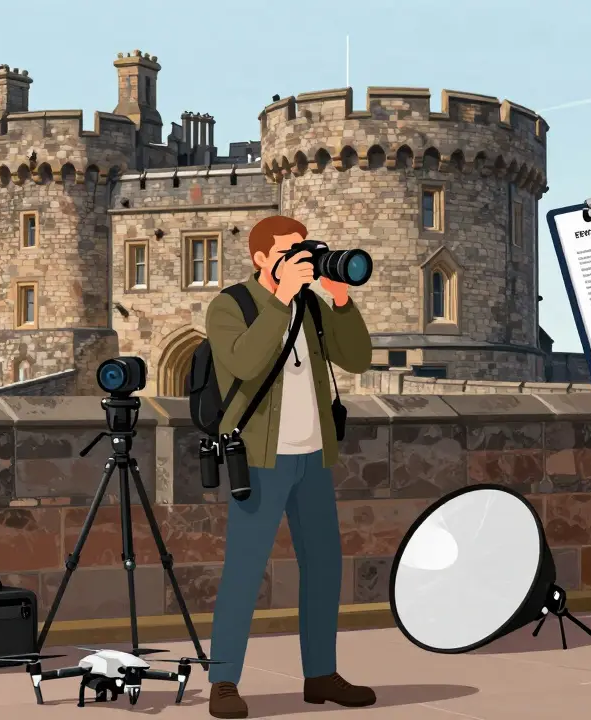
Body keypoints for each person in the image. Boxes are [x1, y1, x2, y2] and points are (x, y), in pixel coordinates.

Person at [204, 215, 375, 719]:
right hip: (260, 459)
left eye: (304, 249)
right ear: (261, 258)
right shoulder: (229, 305)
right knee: (244, 571)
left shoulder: (312, 308)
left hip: (314, 456)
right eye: (287, 252)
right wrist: (281, 299)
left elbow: (359, 359)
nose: (299, 259)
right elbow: (243, 363)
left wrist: (339, 298)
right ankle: (224, 681)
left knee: (323, 568)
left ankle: (320, 673)